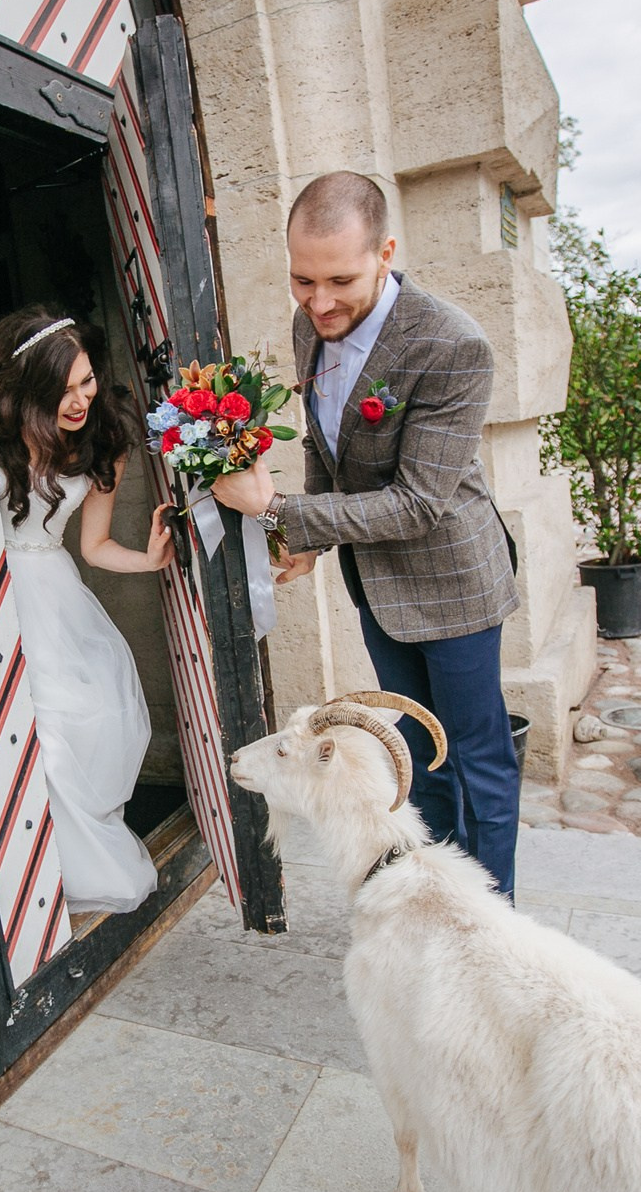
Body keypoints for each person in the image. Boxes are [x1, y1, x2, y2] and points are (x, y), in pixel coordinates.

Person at [211, 171, 523, 898]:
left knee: (479, 759)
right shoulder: (308, 326)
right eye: (302, 279)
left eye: (340, 280)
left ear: (386, 253)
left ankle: (491, 924)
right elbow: (330, 449)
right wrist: (311, 541)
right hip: (378, 583)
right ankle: (437, 899)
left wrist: (277, 510)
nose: (319, 301)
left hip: (455, 580)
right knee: (417, 753)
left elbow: (417, 504)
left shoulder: (453, 345)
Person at [0, 306, 174, 913]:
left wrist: (148, 560)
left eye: (86, 381)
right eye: (61, 390)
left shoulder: (104, 438)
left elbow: (92, 546)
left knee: (87, 722)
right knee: (33, 735)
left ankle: (70, 863)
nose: (79, 400)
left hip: (53, 592)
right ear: (30, 390)